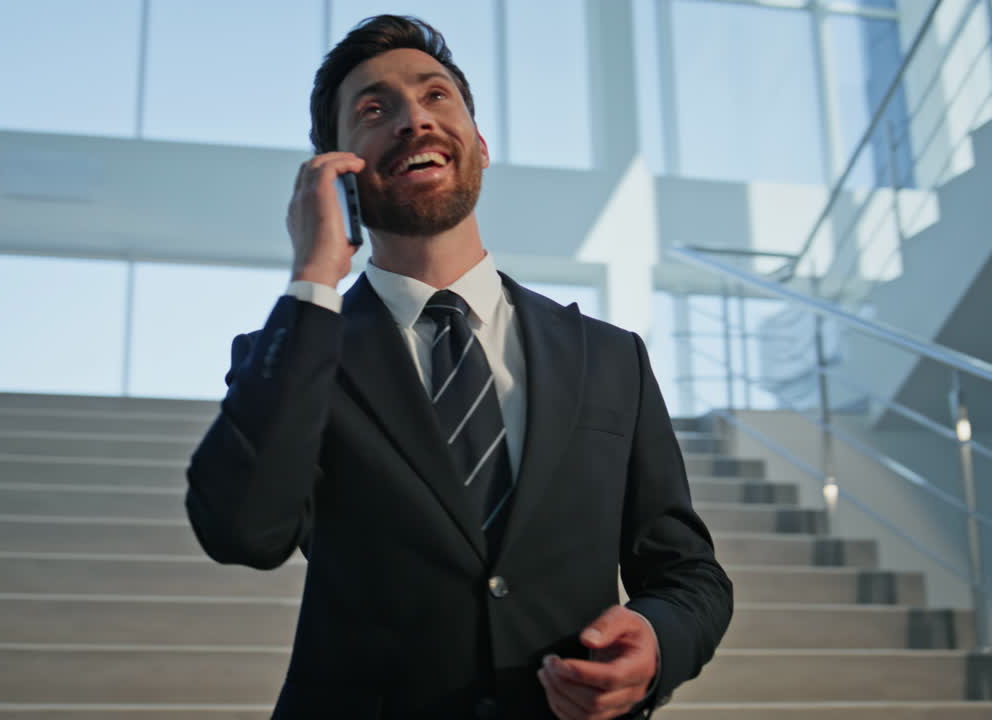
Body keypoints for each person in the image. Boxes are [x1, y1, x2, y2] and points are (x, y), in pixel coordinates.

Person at [186, 15, 732, 719]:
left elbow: (688, 573)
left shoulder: (610, 356)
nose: (414, 119)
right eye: (374, 110)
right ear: (338, 171)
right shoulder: (292, 355)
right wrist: (314, 276)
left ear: (478, 144)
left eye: (436, 96)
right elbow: (242, 532)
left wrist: (658, 641)